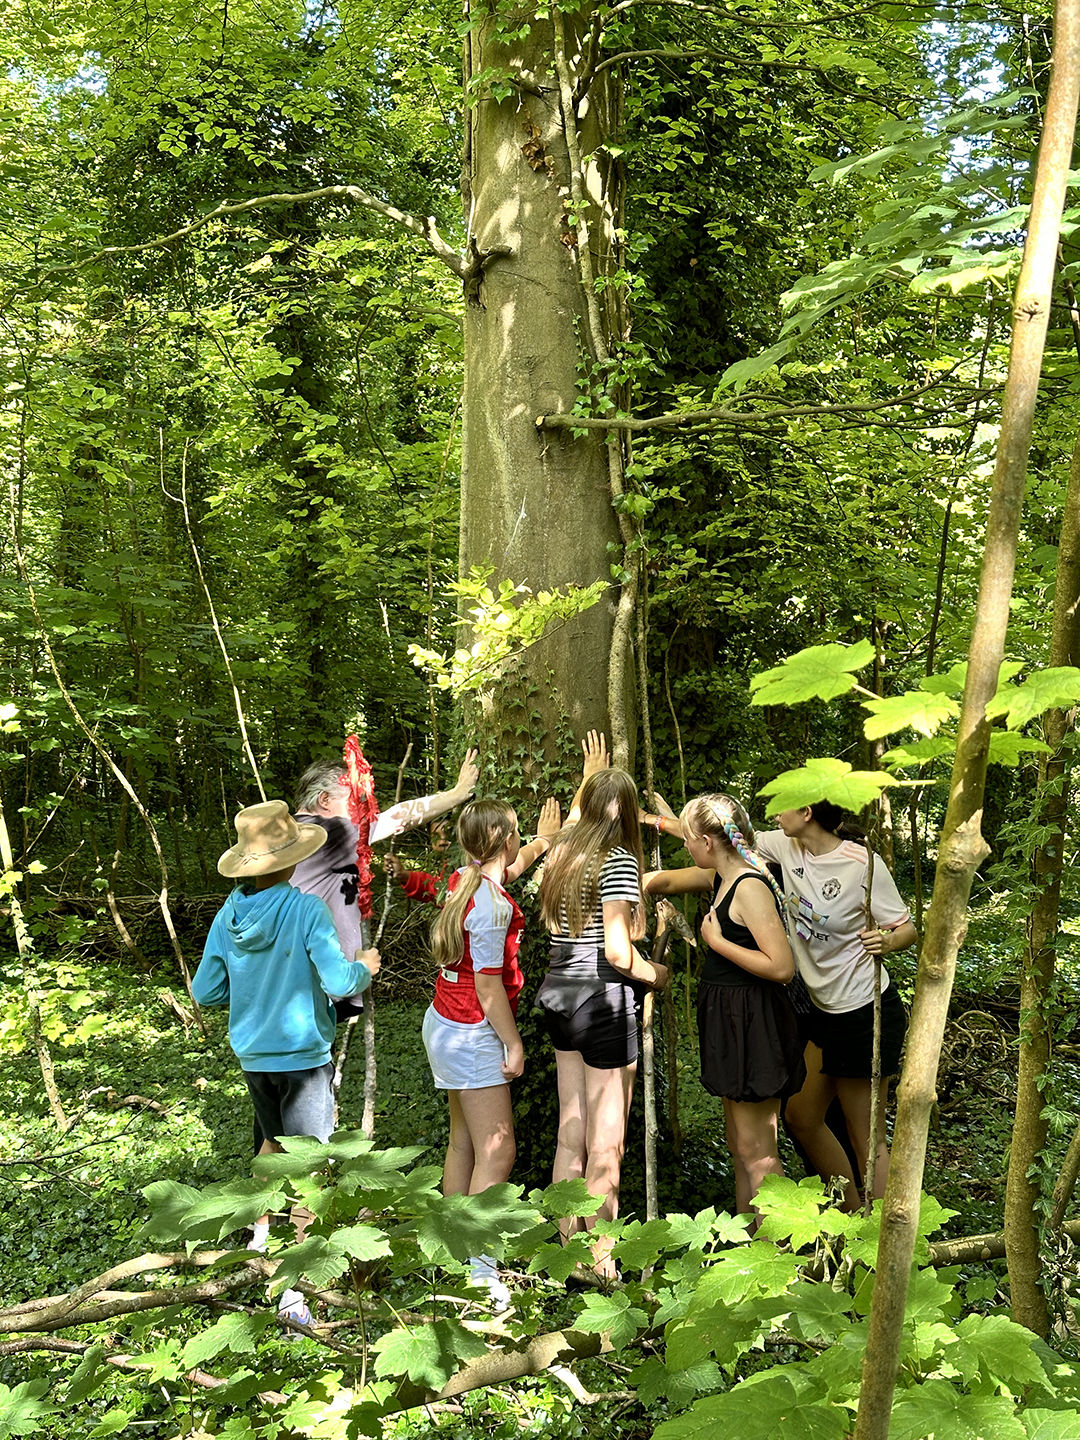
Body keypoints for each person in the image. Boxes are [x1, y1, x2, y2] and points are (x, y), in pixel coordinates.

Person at [192, 800, 381, 1325]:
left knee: (270, 1143)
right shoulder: (305, 911)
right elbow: (340, 982)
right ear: (291, 861)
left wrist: (246, 983)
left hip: (254, 1055)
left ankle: (260, 1241)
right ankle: (296, 1292)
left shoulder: (229, 915)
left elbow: (205, 990)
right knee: (311, 1166)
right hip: (302, 1055)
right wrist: (364, 967)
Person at [537, 732, 669, 1281]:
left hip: (558, 989)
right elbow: (618, 951)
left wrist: (589, 781)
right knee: (606, 1137)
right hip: (601, 997)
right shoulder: (617, 860)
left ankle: (566, 1248)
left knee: (573, 1124)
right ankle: (601, 1261)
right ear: (631, 815)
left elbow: (568, 834)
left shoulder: (561, 853)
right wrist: (655, 973)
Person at [422, 797, 561, 1307]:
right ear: (505, 839)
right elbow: (488, 988)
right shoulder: (493, 905)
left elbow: (512, 868)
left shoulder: (466, 879)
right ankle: (480, 1272)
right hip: (473, 1029)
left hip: (443, 1023)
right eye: (518, 833)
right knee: (499, 1150)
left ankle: (448, 1246)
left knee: (464, 1142)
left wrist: (547, 839)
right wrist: (513, 1041)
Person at [644, 795, 804, 1220]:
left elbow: (782, 966)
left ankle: (778, 1255)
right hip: (732, 1022)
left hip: (754, 1024)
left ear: (707, 842)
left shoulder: (749, 887)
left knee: (759, 1152)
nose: (686, 847)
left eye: (689, 839)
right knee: (740, 1146)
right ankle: (747, 1244)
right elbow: (665, 879)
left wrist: (718, 944)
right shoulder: (722, 875)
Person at [752, 803, 918, 1207]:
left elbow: (907, 929)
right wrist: (662, 820)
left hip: (866, 1012)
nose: (773, 812)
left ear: (807, 812)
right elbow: (725, 838)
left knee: (868, 1139)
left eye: (783, 804)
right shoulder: (784, 845)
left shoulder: (862, 863)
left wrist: (888, 940)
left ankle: (883, 1243)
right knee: (801, 1117)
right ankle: (851, 1213)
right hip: (824, 1012)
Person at [291, 750, 479, 1011]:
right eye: (353, 801)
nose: (361, 812)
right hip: (312, 987)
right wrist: (457, 794)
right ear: (324, 800)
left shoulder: (290, 834)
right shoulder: (325, 834)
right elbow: (393, 818)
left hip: (308, 979)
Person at [383, 818, 452, 905]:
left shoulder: (471, 868)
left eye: (449, 834)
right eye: (436, 837)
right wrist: (402, 874)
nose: (442, 842)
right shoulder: (447, 871)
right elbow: (434, 889)